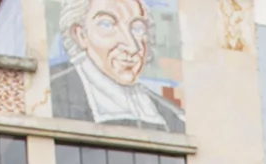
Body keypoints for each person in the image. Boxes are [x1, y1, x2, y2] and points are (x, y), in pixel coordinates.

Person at [49, 0, 186, 132]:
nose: (132, 47)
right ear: (80, 35)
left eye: (137, 28)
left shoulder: (171, 115)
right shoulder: (51, 92)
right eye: (107, 25)